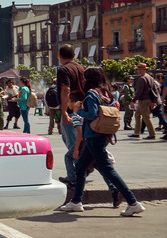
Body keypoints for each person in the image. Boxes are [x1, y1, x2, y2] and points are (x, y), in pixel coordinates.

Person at [58, 67, 144, 217]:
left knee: (108, 170)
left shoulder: (91, 94)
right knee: (80, 166)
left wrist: (79, 111)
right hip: (102, 135)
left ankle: (133, 202)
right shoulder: (105, 92)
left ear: (88, 79)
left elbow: (91, 114)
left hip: (93, 136)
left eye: (85, 78)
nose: (83, 80)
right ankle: (77, 201)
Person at [67, 90, 122, 208]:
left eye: (68, 101)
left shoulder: (78, 113)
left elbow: (80, 132)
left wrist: (76, 149)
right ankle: (114, 190)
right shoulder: (101, 95)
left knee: (72, 160)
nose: (67, 104)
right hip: (96, 139)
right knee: (98, 166)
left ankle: (73, 185)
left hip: (88, 142)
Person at [56, 44, 85, 189]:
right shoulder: (81, 68)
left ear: (59, 56)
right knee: (71, 141)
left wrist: (64, 111)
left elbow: (65, 90)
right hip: (81, 108)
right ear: (74, 55)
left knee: (74, 145)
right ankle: (76, 173)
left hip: (71, 109)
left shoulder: (63, 70)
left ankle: (76, 178)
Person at [130, 62, 157, 139]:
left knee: (146, 117)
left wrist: (133, 100)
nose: (138, 71)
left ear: (141, 70)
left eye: (138, 69)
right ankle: (136, 132)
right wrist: (154, 101)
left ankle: (152, 134)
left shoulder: (142, 79)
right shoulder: (150, 77)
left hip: (143, 100)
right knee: (137, 115)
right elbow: (155, 90)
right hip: (149, 99)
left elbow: (139, 91)